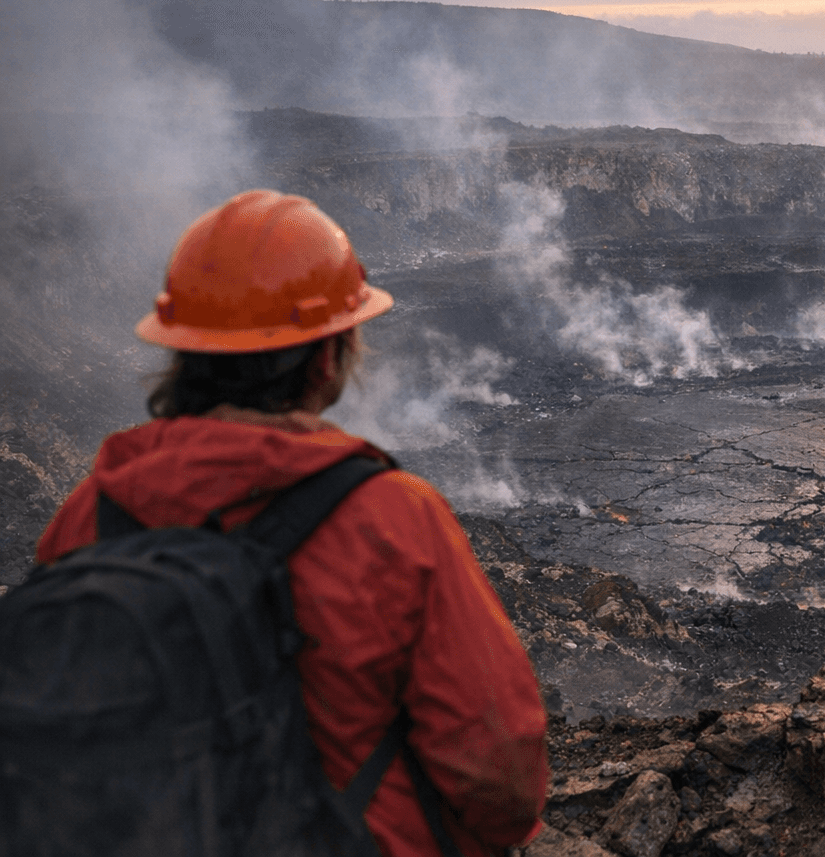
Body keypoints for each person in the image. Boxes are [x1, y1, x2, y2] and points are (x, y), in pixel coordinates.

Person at [33, 189, 547, 856]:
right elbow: (498, 772)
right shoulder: (394, 518)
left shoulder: (92, 512)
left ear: (186, 351)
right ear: (327, 358)